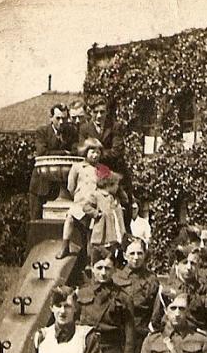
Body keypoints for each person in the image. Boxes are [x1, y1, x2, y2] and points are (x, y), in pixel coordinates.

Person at [151, 244, 207, 353]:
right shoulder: (166, 291)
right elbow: (155, 322)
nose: (189, 267)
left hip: (196, 350)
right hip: (171, 349)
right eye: (185, 263)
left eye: (193, 263)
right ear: (177, 265)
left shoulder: (206, 292)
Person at [78, 97, 131, 227]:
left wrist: (95, 153)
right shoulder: (84, 129)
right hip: (93, 174)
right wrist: (102, 153)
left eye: (102, 112)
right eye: (96, 112)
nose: (99, 115)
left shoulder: (115, 127)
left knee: (120, 211)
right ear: (90, 112)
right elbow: (82, 151)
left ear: (107, 112)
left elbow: (117, 152)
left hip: (113, 173)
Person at [57, 138, 103, 259]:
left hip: (95, 206)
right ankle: (65, 246)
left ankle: (90, 259)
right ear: (85, 152)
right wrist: (79, 197)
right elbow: (70, 187)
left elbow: (108, 187)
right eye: (92, 152)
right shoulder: (77, 167)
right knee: (70, 217)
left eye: (98, 152)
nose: (95, 155)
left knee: (91, 232)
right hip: (80, 203)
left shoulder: (102, 170)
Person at [28, 104, 74, 220]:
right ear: (51, 118)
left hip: (61, 187)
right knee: (36, 221)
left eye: (64, 118)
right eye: (58, 118)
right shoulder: (42, 132)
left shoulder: (70, 132)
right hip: (41, 185)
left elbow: (75, 150)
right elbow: (42, 152)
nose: (61, 122)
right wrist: (63, 152)